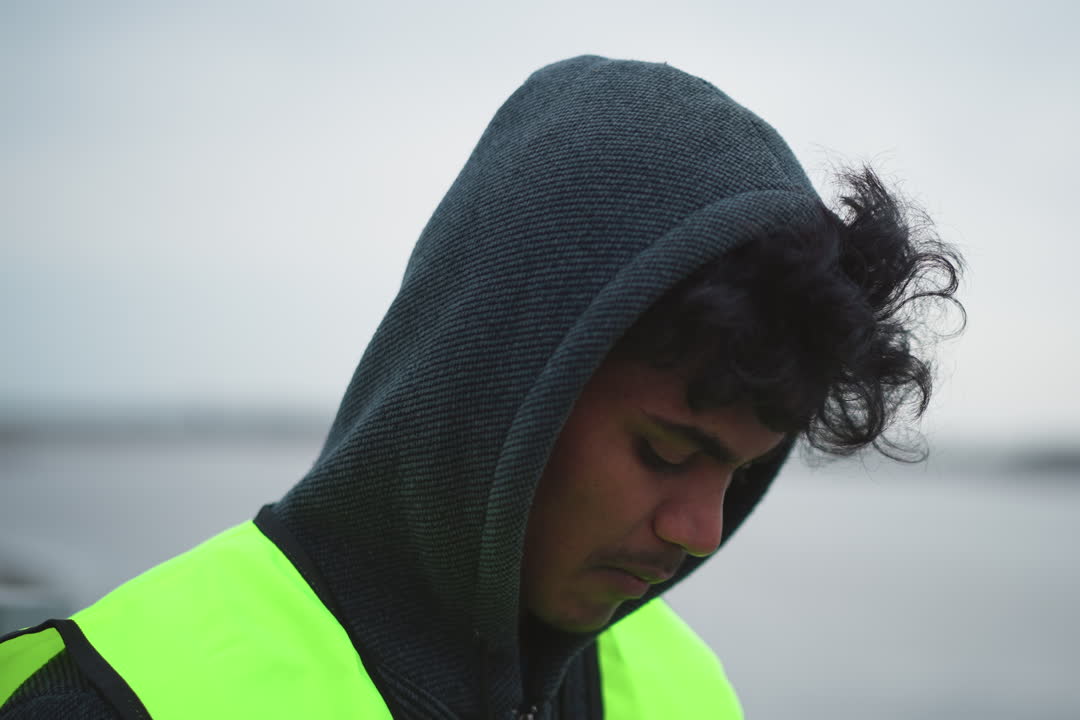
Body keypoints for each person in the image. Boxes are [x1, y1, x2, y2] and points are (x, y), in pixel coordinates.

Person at [0, 55, 962, 719]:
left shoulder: (685, 690)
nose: (701, 532)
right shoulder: (109, 698)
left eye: (742, 476)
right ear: (496, 388)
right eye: (667, 452)